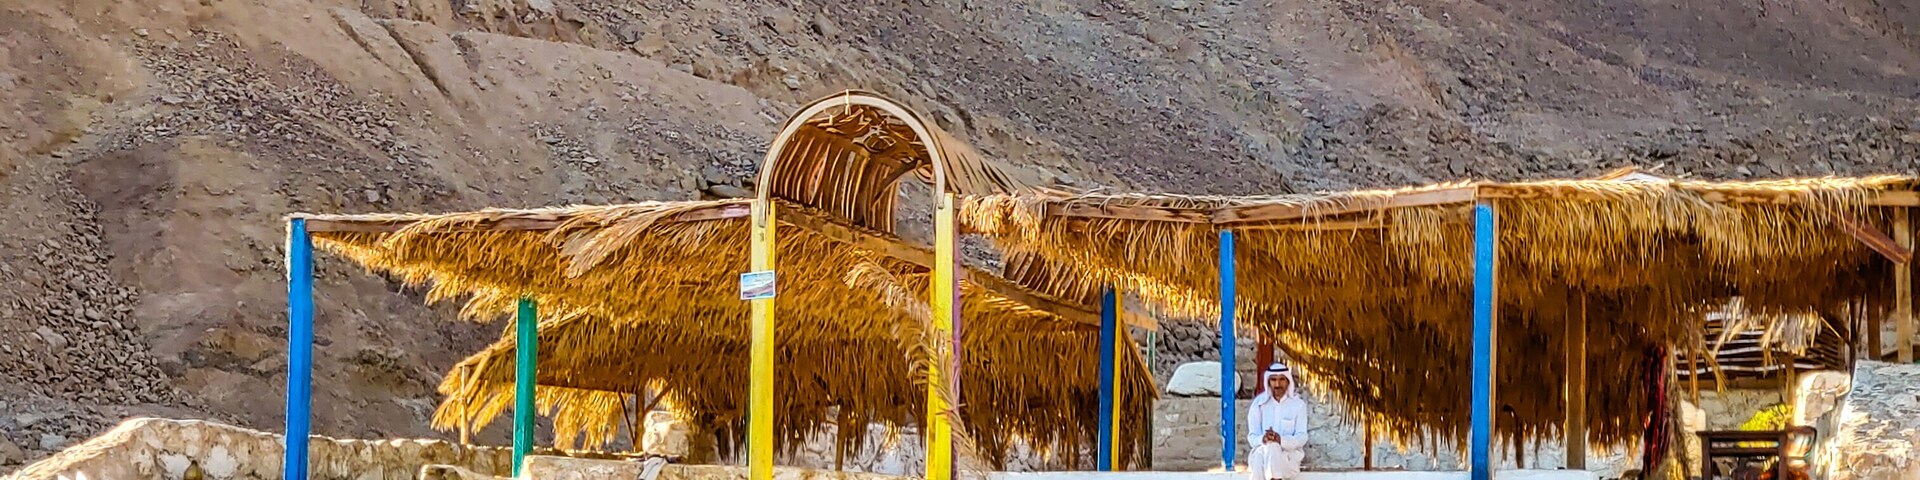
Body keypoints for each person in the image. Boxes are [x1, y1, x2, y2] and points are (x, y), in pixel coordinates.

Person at [1246, 363, 1309, 480]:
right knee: (1264, 451)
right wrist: (1263, 439)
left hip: (1288, 460)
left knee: (1273, 446)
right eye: (1273, 380)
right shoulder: (1259, 404)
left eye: (1282, 379)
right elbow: (1252, 437)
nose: (1277, 384)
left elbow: (1302, 437)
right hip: (1262, 456)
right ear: (1268, 381)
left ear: (1288, 381)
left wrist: (1281, 440)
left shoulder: (1298, 405)